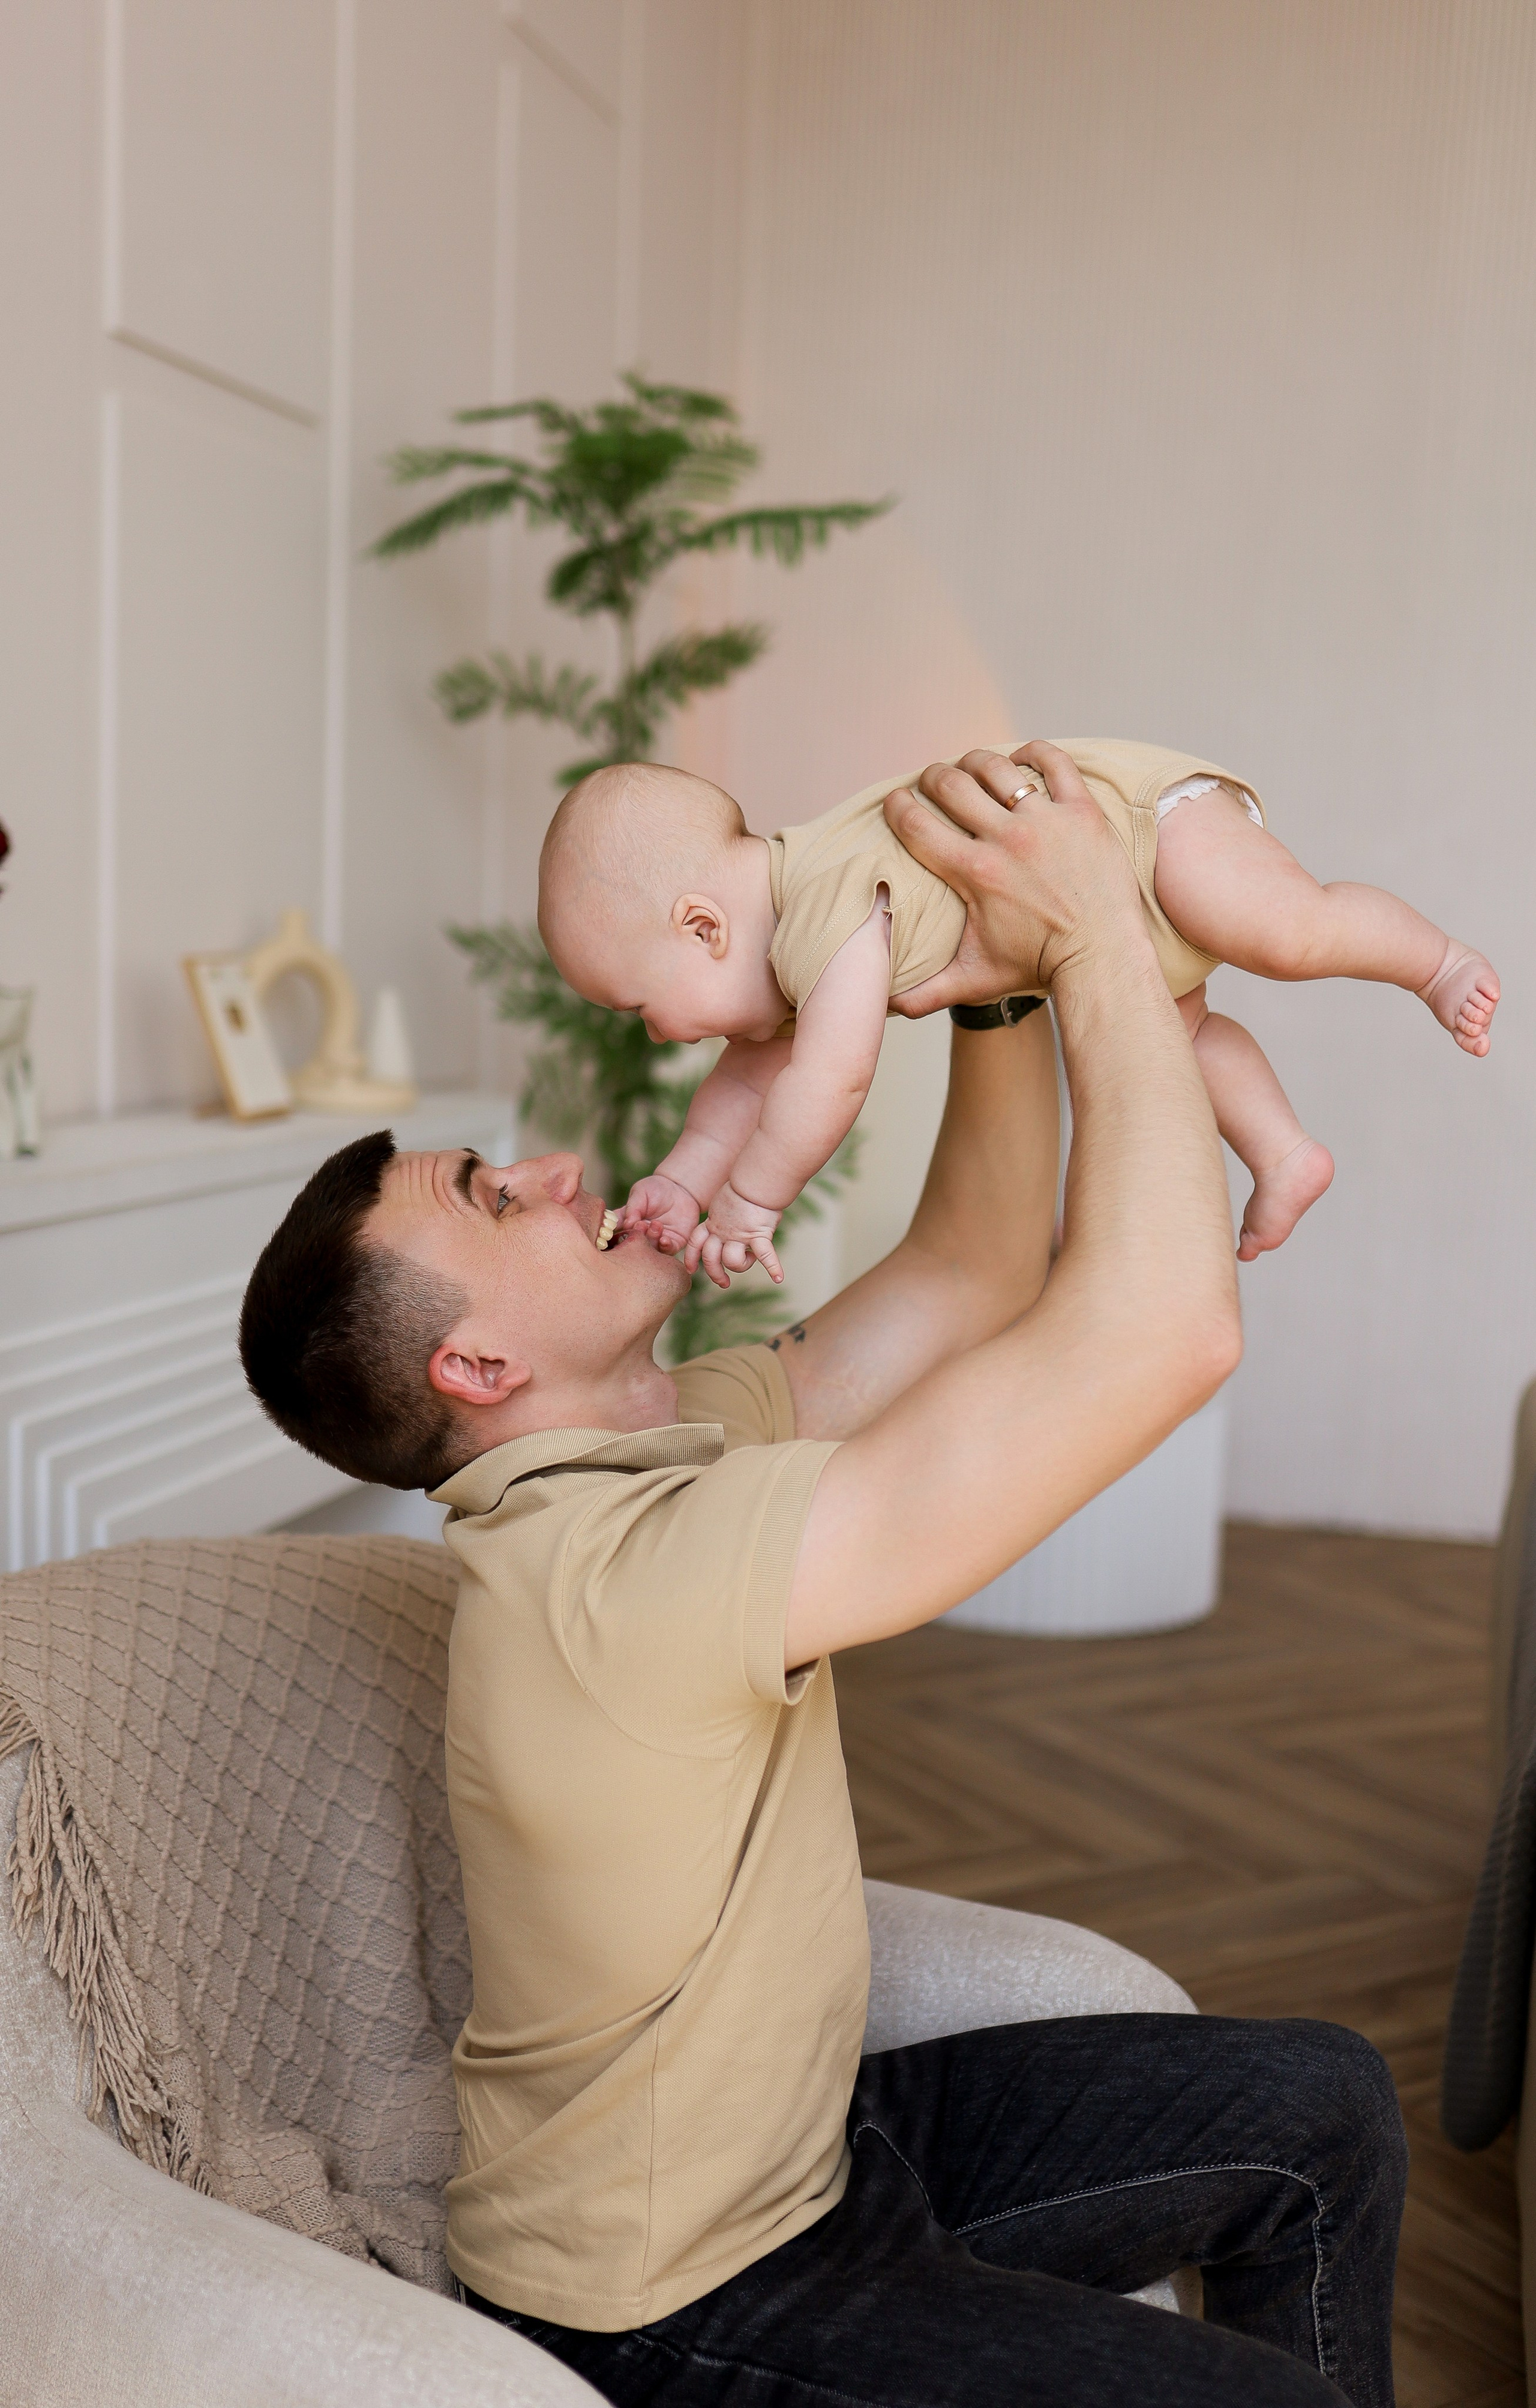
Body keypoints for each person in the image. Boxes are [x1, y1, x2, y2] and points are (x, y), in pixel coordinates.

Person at [239, 745, 1406, 2408]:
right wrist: (1087, 937)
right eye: (497, 1198)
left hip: (816, 2149)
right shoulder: (616, 1583)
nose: (559, 1168)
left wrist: (980, 963)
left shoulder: (664, 1439)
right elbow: (1162, 1327)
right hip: (675, 2292)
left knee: (1324, 2106)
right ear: (483, 1363)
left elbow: (974, 1267)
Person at [536, 737, 1498, 1283]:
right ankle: (1284, 1149)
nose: (658, 1033)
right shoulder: (788, 966)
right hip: (1094, 924)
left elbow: (833, 1076)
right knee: (1183, 1035)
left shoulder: (818, 899)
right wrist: (683, 1181)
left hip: (1138, 831)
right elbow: (745, 1091)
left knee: (1290, 933)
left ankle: (1436, 960)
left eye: (640, 1005)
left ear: (702, 927)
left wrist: (751, 1200)